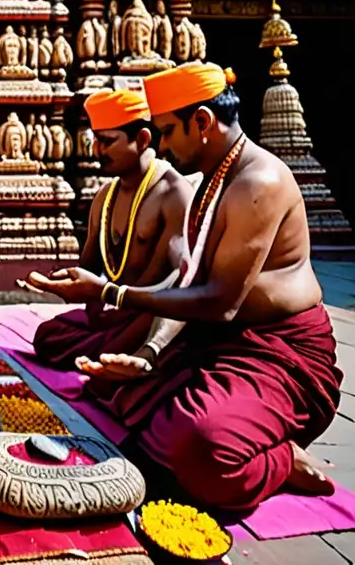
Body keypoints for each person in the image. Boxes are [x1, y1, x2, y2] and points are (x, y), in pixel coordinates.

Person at [26, 62, 343, 512]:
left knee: (204, 453)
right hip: (213, 340)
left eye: (168, 131)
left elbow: (219, 301)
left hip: (278, 352)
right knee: (115, 393)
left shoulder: (258, 181)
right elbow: (189, 281)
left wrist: (109, 293)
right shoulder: (214, 180)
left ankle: (281, 458)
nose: (165, 145)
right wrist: (148, 355)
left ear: (203, 122)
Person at [31, 88, 193, 381]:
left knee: (123, 351)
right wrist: (61, 285)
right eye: (95, 141)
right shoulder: (105, 197)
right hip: (114, 316)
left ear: (142, 139)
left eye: (107, 142)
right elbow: (88, 269)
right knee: (48, 336)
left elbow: (177, 283)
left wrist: (108, 297)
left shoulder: (174, 192)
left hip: (153, 314)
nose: (96, 151)